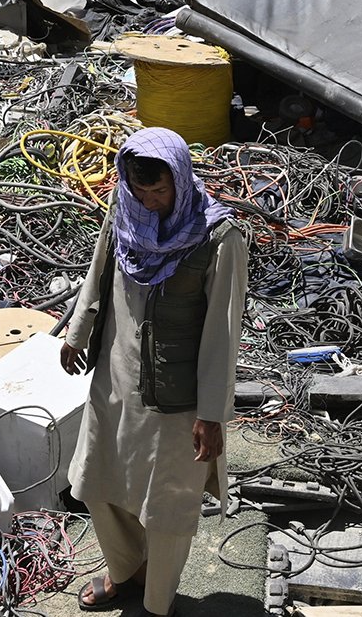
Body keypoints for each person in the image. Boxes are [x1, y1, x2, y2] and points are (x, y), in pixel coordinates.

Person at [59, 127, 249, 617]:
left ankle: (156, 601)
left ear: (181, 182)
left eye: (159, 192)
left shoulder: (219, 238)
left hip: (177, 398)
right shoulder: (124, 211)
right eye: (140, 192)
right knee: (100, 481)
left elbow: (222, 335)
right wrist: (78, 332)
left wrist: (211, 414)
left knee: (166, 505)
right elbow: (99, 270)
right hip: (116, 375)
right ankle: (123, 571)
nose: (150, 203)